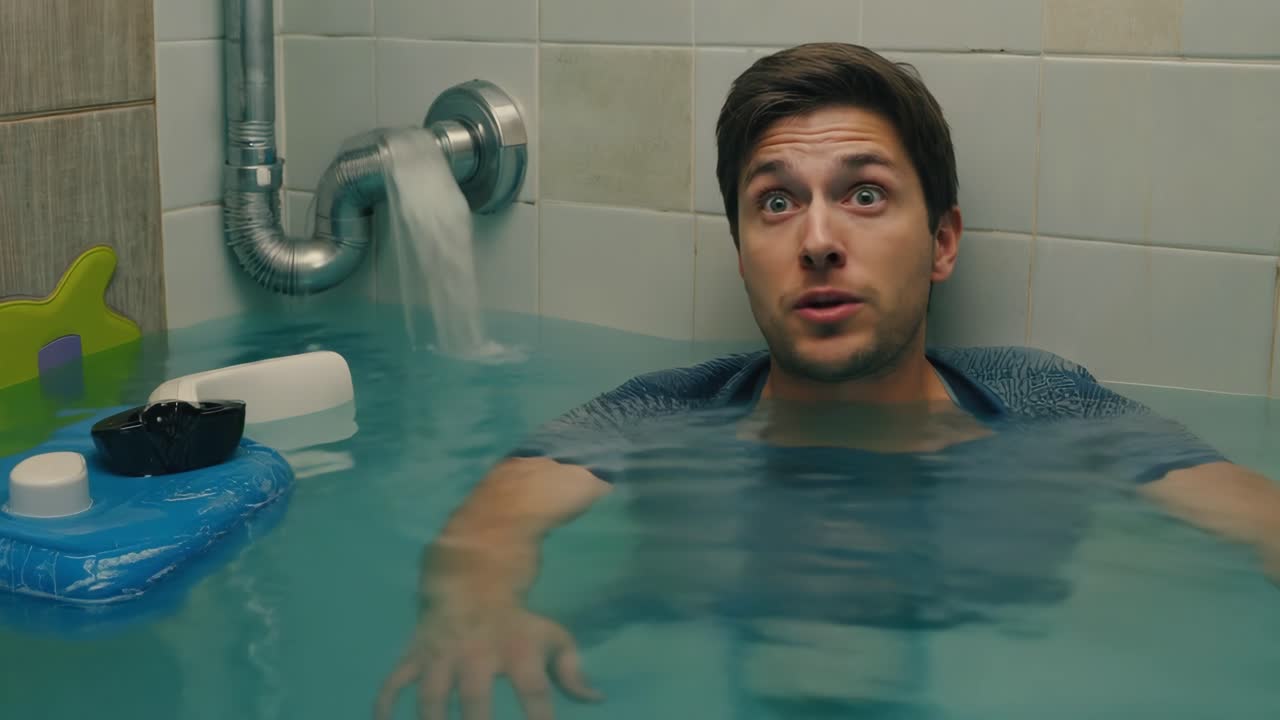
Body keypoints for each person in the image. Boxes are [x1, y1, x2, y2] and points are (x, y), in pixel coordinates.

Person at [375, 43, 1280, 720]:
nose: (816, 239)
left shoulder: (1039, 398)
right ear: (742, 252)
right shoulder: (666, 407)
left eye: (865, 194)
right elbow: (500, 513)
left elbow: (1251, 514)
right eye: (776, 201)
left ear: (942, 242)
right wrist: (475, 605)